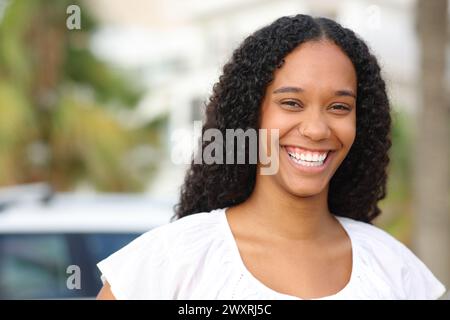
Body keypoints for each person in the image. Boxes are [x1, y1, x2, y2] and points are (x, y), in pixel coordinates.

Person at [96, 14, 446, 300]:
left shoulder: (395, 271)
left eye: (339, 107)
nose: (316, 129)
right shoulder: (169, 264)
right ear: (252, 115)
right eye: (291, 103)